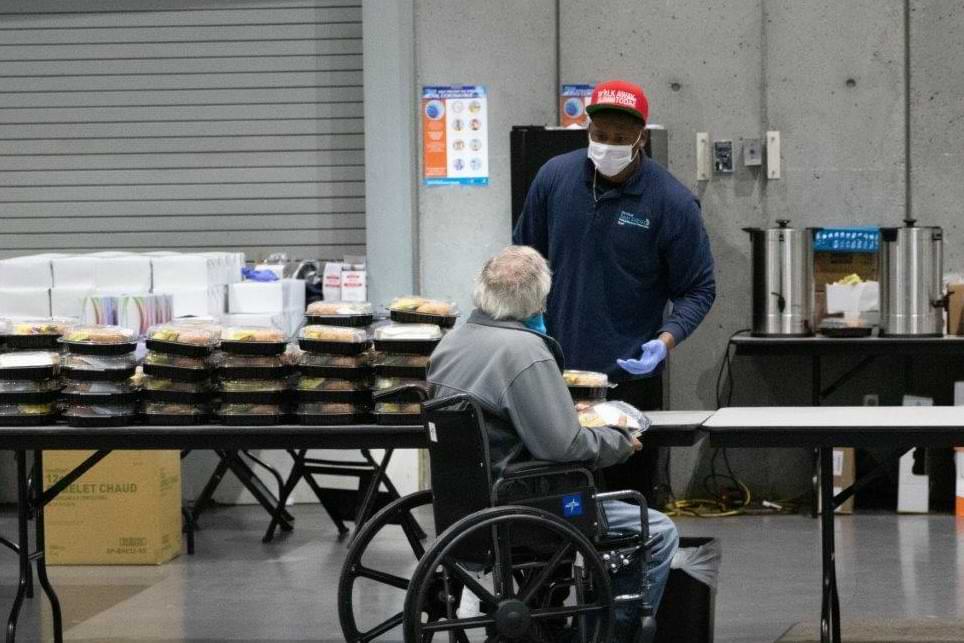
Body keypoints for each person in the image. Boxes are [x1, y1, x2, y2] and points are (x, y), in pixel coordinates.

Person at [428, 245, 679, 641]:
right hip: (526, 501)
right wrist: (617, 440)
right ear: (538, 300)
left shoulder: (450, 345)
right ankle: (612, 633)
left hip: (467, 504)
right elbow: (562, 447)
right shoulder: (525, 351)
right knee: (658, 530)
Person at [512, 79, 716, 496]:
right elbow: (523, 259)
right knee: (558, 501)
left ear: (640, 138)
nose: (607, 146)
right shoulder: (554, 178)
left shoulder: (671, 202)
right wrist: (527, 324)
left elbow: (699, 288)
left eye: (620, 139)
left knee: (630, 501)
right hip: (552, 377)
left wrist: (666, 339)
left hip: (627, 382)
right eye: (599, 135)